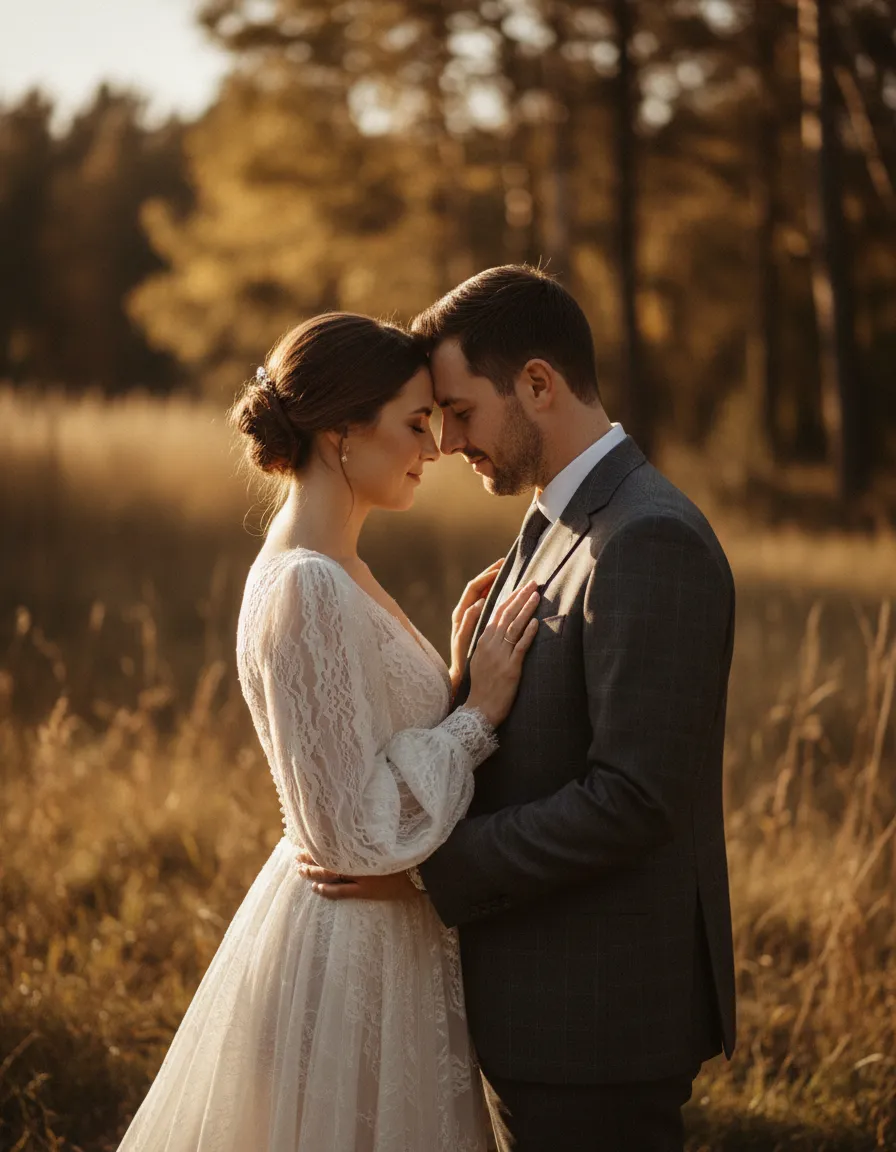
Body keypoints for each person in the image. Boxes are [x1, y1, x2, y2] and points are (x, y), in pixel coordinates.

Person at [299, 267, 737, 1152]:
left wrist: (424, 873)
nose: (449, 440)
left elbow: (635, 799)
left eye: (459, 411)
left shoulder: (648, 538)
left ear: (537, 383)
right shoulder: (556, 522)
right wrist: (464, 692)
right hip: (540, 1007)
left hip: (600, 1024)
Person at [116, 311, 541, 1152]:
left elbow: (364, 746)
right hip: (351, 953)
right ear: (345, 430)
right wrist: (478, 717)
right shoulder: (306, 584)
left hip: (389, 938)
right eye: (416, 423)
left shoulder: (337, 563)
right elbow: (350, 831)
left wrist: (451, 687)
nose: (436, 446)